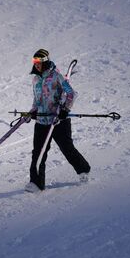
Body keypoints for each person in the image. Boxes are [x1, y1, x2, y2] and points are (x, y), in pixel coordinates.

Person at [25, 49, 91, 192]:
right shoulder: (35, 79)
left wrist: (65, 110)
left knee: (67, 149)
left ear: (45, 62)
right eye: (34, 62)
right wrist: (32, 113)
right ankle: (36, 184)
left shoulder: (56, 76)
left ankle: (83, 170)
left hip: (59, 121)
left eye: (39, 62)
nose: (36, 65)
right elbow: (36, 101)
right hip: (42, 122)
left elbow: (71, 94)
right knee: (38, 152)